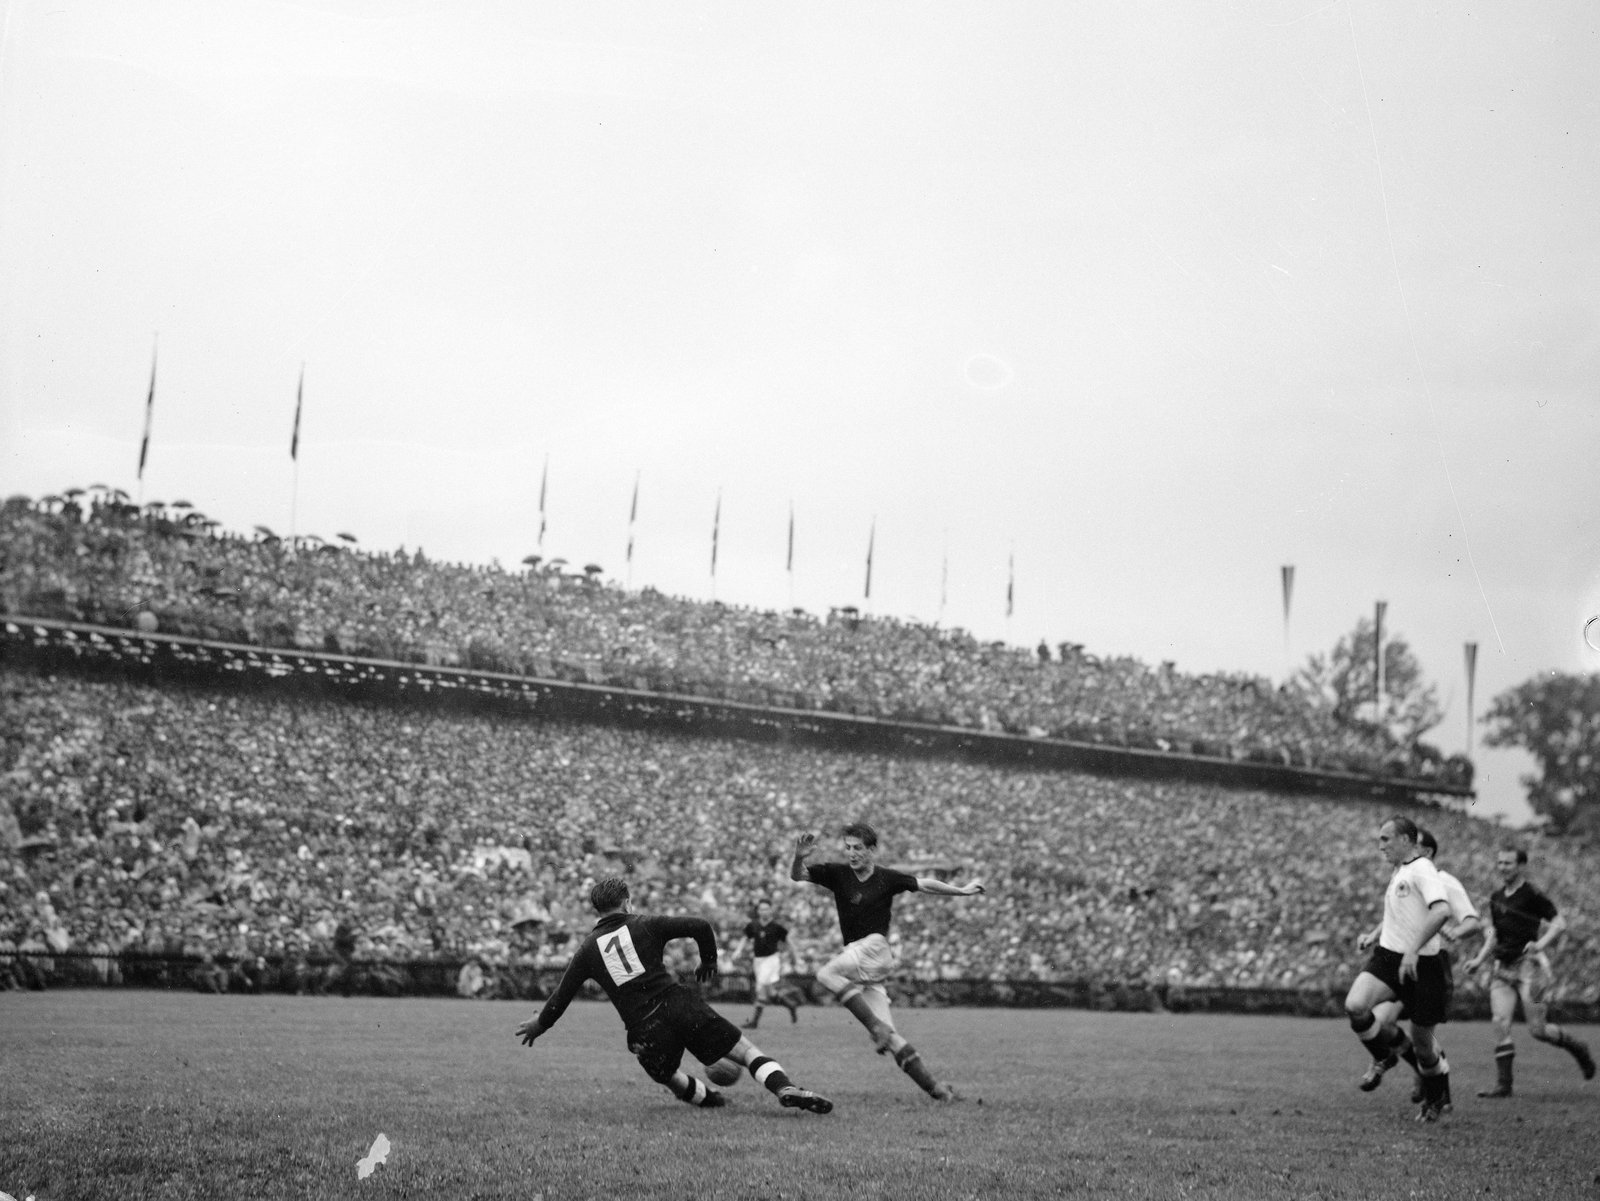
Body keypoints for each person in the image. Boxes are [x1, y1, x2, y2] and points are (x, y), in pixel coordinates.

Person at [514, 876, 833, 1114]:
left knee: (667, 1075)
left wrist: (539, 1025)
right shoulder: (644, 924)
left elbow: (561, 996)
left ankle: (711, 1100)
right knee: (746, 1053)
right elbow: (699, 925)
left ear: (597, 910)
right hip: (678, 1003)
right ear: (627, 902)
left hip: (643, 1028)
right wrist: (709, 960)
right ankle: (784, 1087)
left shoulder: (587, 949)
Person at [790, 821, 985, 1101]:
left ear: (871, 850)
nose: (852, 853)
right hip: (861, 962)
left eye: (858, 848)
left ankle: (875, 1028)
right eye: (848, 848)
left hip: (874, 948)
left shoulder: (886, 878)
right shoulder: (837, 873)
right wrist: (799, 857)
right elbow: (799, 876)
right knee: (892, 1039)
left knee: (825, 974)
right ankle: (939, 1091)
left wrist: (963, 890)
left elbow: (924, 885)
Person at [1344, 816, 1454, 1121]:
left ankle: (1434, 1100)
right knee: (1355, 1005)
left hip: (1423, 965)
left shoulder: (1422, 869)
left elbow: (1442, 911)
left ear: (1406, 840)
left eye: (1385, 839)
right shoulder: (1400, 871)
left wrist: (1413, 950)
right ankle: (1383, 1056)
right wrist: (1373, 934)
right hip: (1389, 958)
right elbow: (1402, 915)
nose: (1380, 846)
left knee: (1425, 1049)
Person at [1463, 847, 1595, 1097]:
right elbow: (1493, 935)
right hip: (1503, 968)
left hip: (1529, 969)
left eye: (1509, 863)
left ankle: (1578, 1048)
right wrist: (1479, 959)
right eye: (1500, 862)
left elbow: (1559, 923)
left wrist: (1540, 944)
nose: (1503, 867)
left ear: (1521, 865)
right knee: (1499, 1022)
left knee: (1538, 1030)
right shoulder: (1496, 896)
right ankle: (1504, 1085)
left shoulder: (1532, 894)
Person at [1367, 828, 1482, 1107]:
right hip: (1399, 960)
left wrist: (1457, 932)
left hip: (1429, 964)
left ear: (1427, 852)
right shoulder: (1404, 875)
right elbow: (1398, 917)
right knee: (1381, 1022)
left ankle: (1439, 1093)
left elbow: (1472, 920)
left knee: (1423, 1037)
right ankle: (1416, 1072)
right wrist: (1372, 936)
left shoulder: (1443, 881)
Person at [731, 898, 802, 1029]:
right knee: (771, 993)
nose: (764, 911)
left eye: (766, 908)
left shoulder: (776, 927)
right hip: (758, 961)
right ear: (758, 911)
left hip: (771, 960)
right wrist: (738, 950)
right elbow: (745, 938)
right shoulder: (753, 925)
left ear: (771, 910)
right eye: (761, 909)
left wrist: (797, 958)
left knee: (761, 989)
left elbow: (789, 942)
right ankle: (791, 1005)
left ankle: (754, 1022)